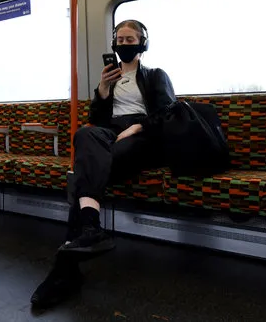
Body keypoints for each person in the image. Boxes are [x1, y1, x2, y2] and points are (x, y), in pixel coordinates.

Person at [30, 20, 176, 307]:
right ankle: (89, 231)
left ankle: (64, 271)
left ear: (142, 43)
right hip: (109, 134)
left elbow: (168, 114)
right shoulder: (109, 79)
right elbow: (95, 124)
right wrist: (102, 91)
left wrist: (136, 128)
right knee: (84, 134)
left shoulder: (156, 76)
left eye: (130, 39)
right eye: (119, 40)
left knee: (84, 173)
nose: (124, 44)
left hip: (142, 135)